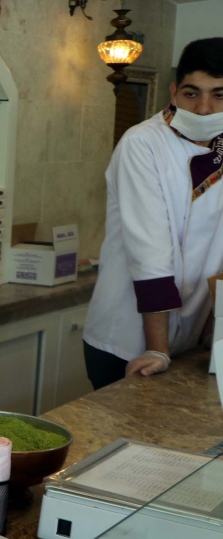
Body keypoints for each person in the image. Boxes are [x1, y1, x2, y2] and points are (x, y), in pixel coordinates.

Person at [84, 38, 223, 390]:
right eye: (192, 94)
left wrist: (213, 328)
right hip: (129, 340)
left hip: (190, 336)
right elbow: (151, 253)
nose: (205, 109)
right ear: (174, 91)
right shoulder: (142, 143)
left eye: (219, 95)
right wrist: (157, 349)